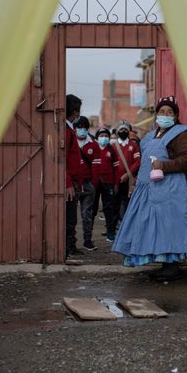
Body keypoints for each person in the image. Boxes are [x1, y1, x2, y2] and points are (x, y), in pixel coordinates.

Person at [112, 96, 187, 281]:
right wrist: (136, 182)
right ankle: (164, 264)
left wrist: (164, 165)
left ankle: (172, 267)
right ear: (156, 115)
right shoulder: (149, 136)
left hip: (173, 189)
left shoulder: (181, 134)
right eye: (162, 112)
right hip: (150, 189)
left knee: (171, 226)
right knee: (156, 228)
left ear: (176, 116)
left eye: (170, 112)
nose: (165, 115)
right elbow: (143, 162)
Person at [89, 127, 119, 242]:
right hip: (95, 184)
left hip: (108, 183)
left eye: (106, 136)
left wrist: (115, 184)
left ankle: (110, 233)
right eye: (101, 136)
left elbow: (116, 168)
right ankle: (88, 234)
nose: (104, 138)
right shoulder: (93, 148)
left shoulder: (111, 150)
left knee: (109, 208)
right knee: (93, 208)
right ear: (97, 137)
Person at [73, 116, 97, 251]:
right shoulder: (71, 142)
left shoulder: (93, 144)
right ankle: (71, 243)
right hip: (74, 185)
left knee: (86, 214)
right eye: (79, 127)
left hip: (88, 185)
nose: (81, 130)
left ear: (88, 129)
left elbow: (96, 166)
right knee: (71, 216)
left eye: (84, 127)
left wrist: (93, 184)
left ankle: (87, 241)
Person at [65, 94, 84, 257]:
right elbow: (62, 160)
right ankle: (68, 247)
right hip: (69, 182)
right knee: (70, 217)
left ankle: (71, 245)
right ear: (75, 112)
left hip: (73, 180)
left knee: (72, 216)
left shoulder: (69, 129)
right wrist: (68, 183)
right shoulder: (66, 131)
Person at [113, 120, 140, 223]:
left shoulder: (133, 145)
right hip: (116, 180)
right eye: (121, 129)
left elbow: (137, 162)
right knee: (115, 204)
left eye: (125, 129)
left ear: (129, 131)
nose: (123, 131)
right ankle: (112, 228)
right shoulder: (113, 146)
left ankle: (126, 225)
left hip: (129, 181)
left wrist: (128, 175)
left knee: (128, 203)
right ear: (117, 131)